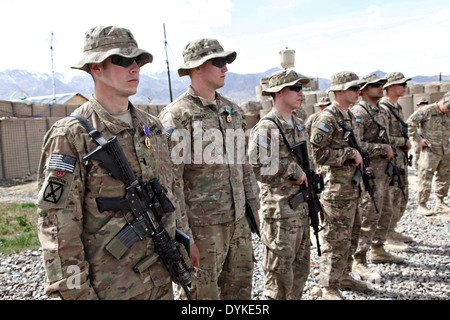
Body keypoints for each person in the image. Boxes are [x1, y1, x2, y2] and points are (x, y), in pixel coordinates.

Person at [36, 25, 188, 300]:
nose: (134, 68)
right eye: (122, 60)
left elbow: (170, 192)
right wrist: (76, 293)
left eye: (137, 60)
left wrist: (181, 240)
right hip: (111, 290)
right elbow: (58, 227)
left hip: (159, 279)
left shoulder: (151, 127)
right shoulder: (72, 135)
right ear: (95, 67)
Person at [158, 38, 260, 300]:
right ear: (197, 68)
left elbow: (244, 164)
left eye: (226, 62)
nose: (225, 68)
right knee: (202, 296)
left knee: (239, 293)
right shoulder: (178, 115)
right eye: (218, 62)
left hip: (238, 222)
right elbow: (170, 183)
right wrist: (183, 236)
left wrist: (253, 208)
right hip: (203, 230)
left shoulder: (231, 111)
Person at [248, 69, 311, 299]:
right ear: (279, 92)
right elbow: (256, 165)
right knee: (279, 277)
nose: (301, 93)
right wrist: (292, 171)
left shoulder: (299, 124)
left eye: (301, 88)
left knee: (300, 270)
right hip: (280, 213)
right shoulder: (268, 127)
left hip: (301, 208)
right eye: (295, 88)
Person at [309, 71, 370, 300]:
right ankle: (329, 286)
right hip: (335, 190)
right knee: (335, 240)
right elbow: (317, 155)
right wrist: (348, 153)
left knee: (352, 235)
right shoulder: (328, 118)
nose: (358, 92)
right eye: (353, 88)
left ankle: (344, 275)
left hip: (352, 187)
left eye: (358, 88)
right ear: (339, 91)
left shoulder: (349, 116)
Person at [350, 74, 402, 283]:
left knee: (384, 211)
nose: (381, 88)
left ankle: (378, 248)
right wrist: (383, 149)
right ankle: (359, 258)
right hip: (369, 174)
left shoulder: (381, 111)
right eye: (376, 85)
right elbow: (357, 144)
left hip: (384, 172)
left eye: (382, 85)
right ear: (363, 90)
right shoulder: (358, 112)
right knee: (367, 217)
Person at [378, 72, 413, 253]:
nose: (404, 87)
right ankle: (386, 236)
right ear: (389, 87)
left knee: (401, 197)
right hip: (390, 161)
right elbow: (383, 137)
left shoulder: (396, 107)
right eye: (401, 84)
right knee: (390, 199)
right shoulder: (384, 108)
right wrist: (402, 142)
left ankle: (392, 230)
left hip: (400, 159)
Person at [407, 92, 450, 216]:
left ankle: (441, 202)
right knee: (425, 177)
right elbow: (410, 123)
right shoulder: (427, 111)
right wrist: (418, 139)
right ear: (442, 103)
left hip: (446, 150)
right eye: (447, 108)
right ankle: (422, 205)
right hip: (430, 151)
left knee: (444, 177)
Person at [412, 98, 429, 170]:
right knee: (417, 153)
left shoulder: (429, 113)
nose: (424, 105)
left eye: (425, 103)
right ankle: (417, 168)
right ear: (418, 105)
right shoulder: (417, 114)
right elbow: (411, 125)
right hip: (418, 137)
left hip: (427, 137)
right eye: (422, 104)